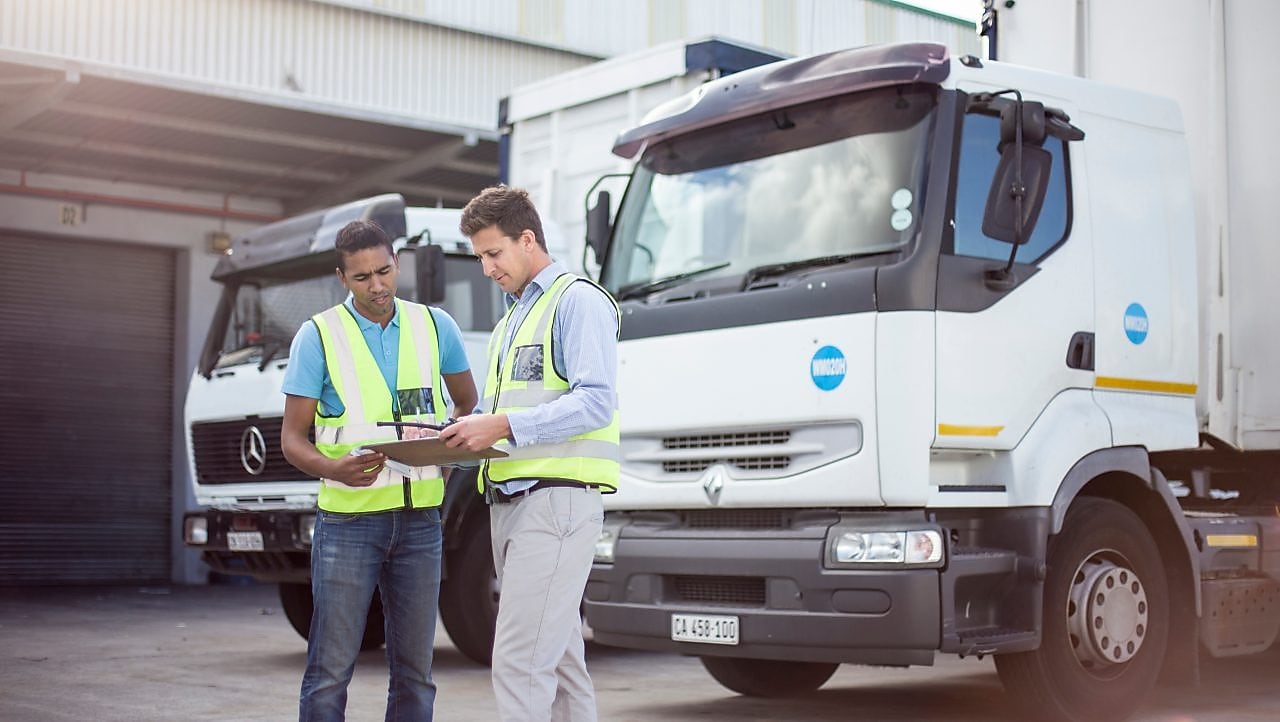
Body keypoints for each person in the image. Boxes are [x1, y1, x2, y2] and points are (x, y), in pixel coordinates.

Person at [280, 219, 478, 721]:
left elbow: (466, 405)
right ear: (342, 279)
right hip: (349, 524)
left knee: (416, 673)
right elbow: (291, 439)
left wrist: (445, 456)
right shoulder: (318, 336)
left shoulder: (436, 326)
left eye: (385, 272)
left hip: (420, 523)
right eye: (363, 277)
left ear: (397, 264)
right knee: (330, 671)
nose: (378, 287)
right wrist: (334, 469)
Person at [440, 185, 619, 721]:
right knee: (560, 664)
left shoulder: (578, 300)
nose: (487, 268)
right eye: (480, 258)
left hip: (556, 504)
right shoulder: (511, 322)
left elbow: (596, 401)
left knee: (519, 663)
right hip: (511, 503)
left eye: (494, 254)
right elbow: (505, 415)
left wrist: (504, 424)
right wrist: (454, 431)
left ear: (527, 239)